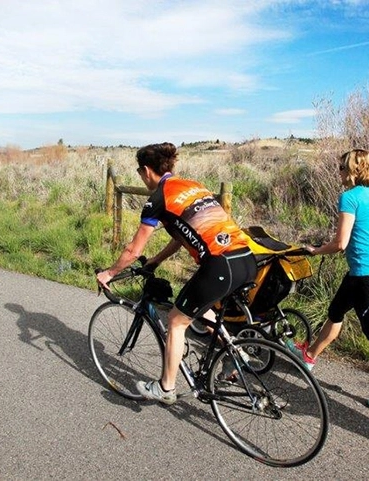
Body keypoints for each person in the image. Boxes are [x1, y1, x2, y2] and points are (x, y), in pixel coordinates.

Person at [96, 142, 257, 405]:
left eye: (140, 171)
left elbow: (134, 249)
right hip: (245, 258)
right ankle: (236, 354)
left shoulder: (157, 199)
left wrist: (110, 273)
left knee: (175, 320)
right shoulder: (194, 186)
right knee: (198, 306)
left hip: (219, 264)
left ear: (147, 171)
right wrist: (157, 261)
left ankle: (165, 388)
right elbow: (182, 237)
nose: (141, 176)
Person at [293, 148, 369, 416]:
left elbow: (340, 243)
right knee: (335, 312)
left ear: (353, 171)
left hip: (365, 274)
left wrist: (315, 250)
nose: (338, 171)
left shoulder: (349, 197)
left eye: (341, 167)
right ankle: (309, 356)